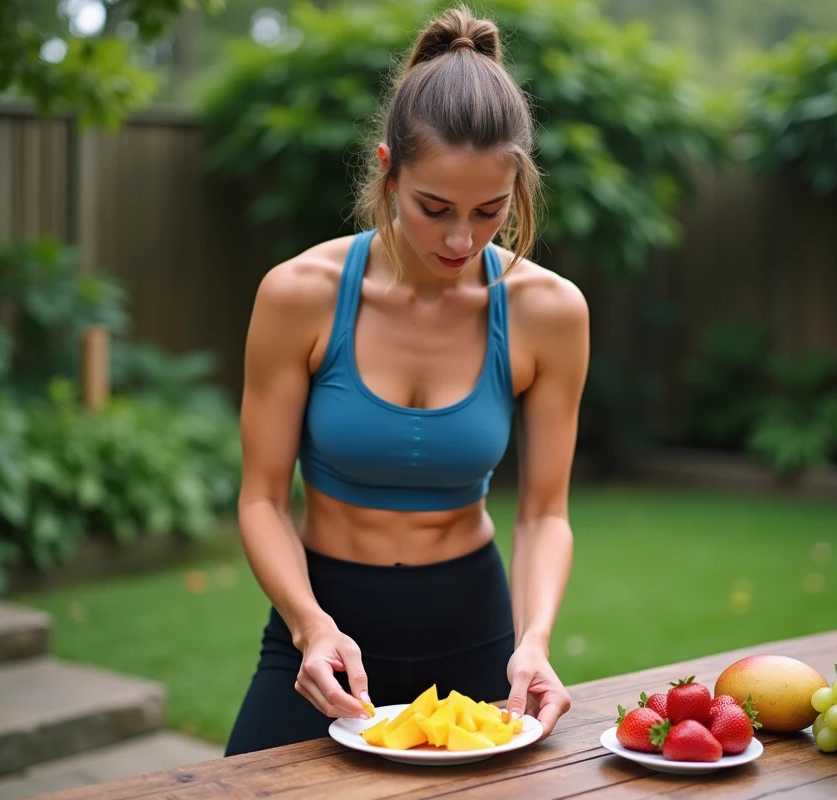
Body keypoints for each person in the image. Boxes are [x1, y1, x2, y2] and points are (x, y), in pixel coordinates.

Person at [224, 4, 590, 757]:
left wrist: (536, 640)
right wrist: (309, 624)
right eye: (435, 209)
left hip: (476, 626)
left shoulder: (549, 312)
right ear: (389, 171)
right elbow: (261, 498)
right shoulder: (301, 294)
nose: (461, 239)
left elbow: (543, 513)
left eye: (490, 211)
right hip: (325, 630)